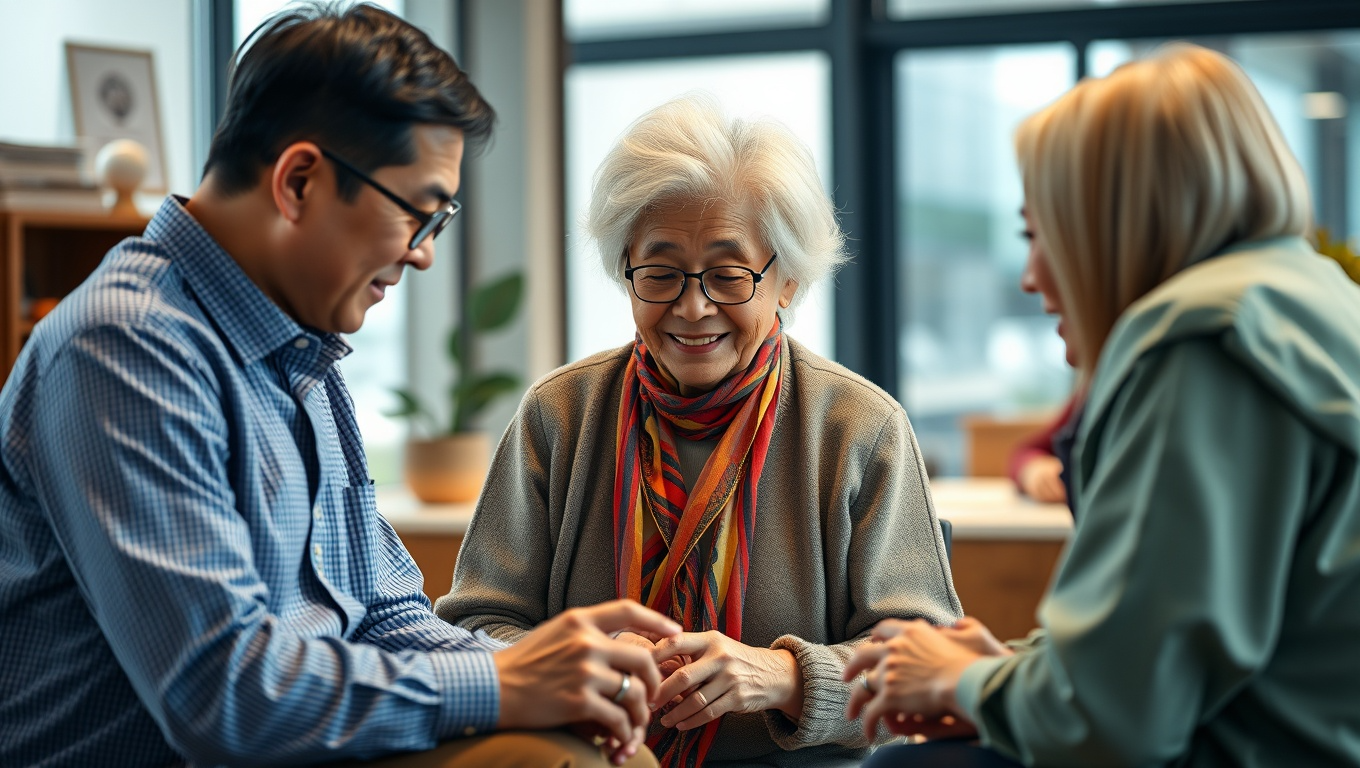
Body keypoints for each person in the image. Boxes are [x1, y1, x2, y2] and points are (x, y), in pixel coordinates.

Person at [0, 5, 679, 767]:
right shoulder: (124, 348)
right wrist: (504, 682)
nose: (423, 256)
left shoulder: (302, 354)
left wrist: (554, 679)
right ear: (298, 181)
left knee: (581, 744)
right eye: (419, 214)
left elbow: (385, 613)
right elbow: (222, 696)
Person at [846, 43, 1360, 766]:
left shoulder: (1197, 347)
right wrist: (1012, 675)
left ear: (1114, 221)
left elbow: (1113, 721)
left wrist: (969, 685)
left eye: (1038, 233)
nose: (1029, 277)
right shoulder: (1307, 302)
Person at [435, 93, 962, 768]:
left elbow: (927, 667)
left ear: (789, 280)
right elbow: (472, 628)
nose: (692, 307)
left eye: (727, 274)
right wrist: (570, 664)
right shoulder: (559, 414)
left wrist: (787, 678)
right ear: (625, 271)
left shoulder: (859, 428)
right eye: (660, 273)